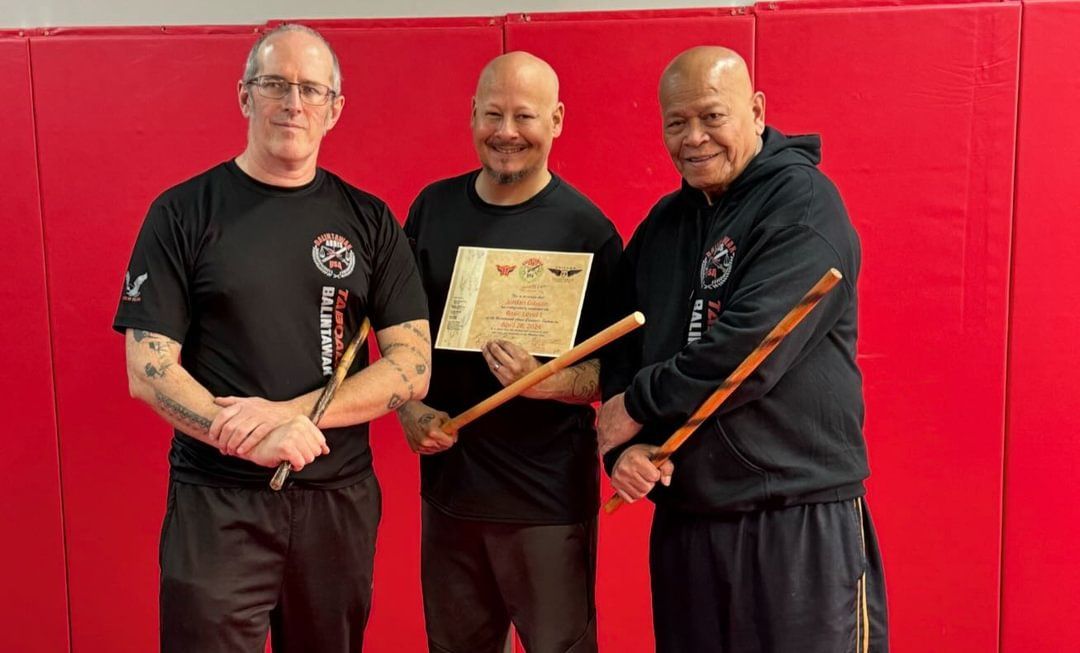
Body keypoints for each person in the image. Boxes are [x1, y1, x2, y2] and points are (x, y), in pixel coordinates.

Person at [113, 24, 431, 653]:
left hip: (335, 502)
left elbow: (412, 365)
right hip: (218, 500)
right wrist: (250, 440)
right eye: (274, 85)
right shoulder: (183, 212)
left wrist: (286, 418)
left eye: (312, 89)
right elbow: (147, 369)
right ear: (244, 96)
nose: (293, 103)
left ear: (334, 109)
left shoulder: (368, 219)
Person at [597, 46, 889, 652]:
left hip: (795, 517)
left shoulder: (803, 205)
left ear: (755, 110)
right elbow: (622, 340)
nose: (694, 139)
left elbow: (749, 350)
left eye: (711, 116)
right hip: (690, 520)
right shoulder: (664, 225)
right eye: (677, 123)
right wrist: (623, 449)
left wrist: (637, 403)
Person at [398, 51, 621, 653]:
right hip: (448, 493)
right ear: (472, 114)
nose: (506, 132)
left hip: (545, 502)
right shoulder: (430, 210)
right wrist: (407, 411)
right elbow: (398, 338)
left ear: (557, 120)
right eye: (492, 113)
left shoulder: (587, 231)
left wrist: (549, 380)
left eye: (525, 115)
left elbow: (614, 372)